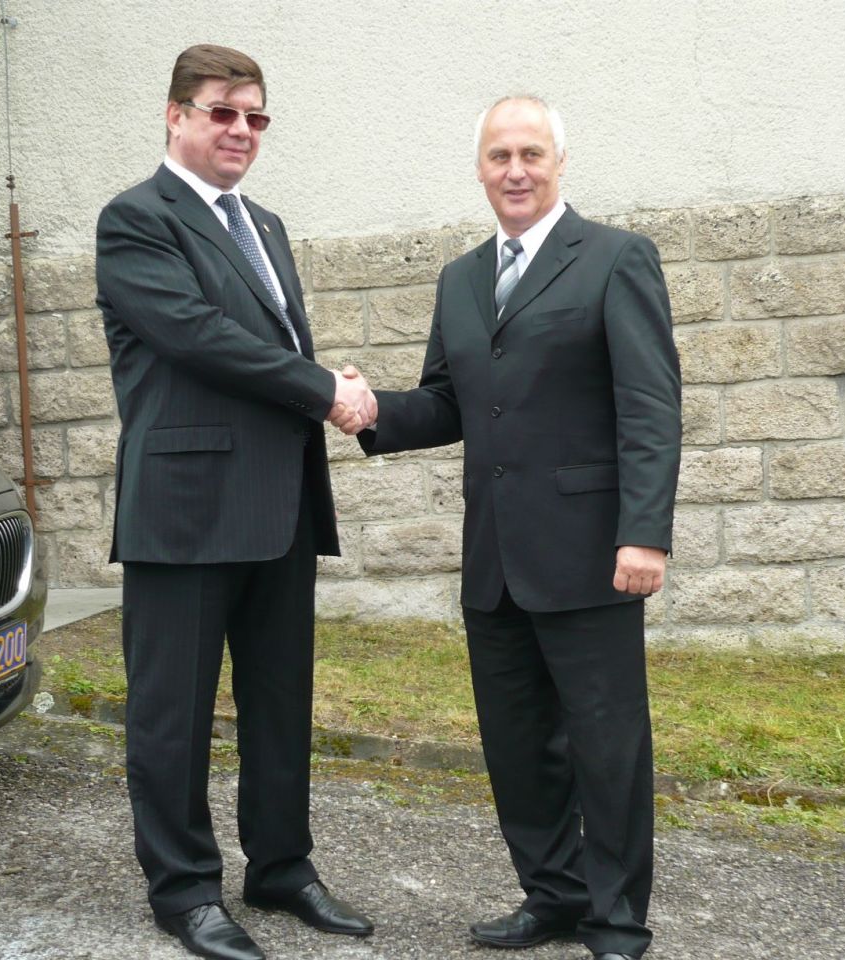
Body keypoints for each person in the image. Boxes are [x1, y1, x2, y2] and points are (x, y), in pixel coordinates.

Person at [355, 95, 682, 960]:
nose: (515, 170)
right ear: (479, 169)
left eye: (531, 153)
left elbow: (650, 407)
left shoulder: (615, 259)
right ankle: (554, 895)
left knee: (606, 746)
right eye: (499, 155)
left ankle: (617, 918)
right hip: (494, 557)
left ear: (559, 163)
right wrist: (370, 411)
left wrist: (644, 533)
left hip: (591, 553)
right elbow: (448, 402)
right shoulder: (460, 279)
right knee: (516, 745)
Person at [95, 44, 376, 960]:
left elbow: (268, 344)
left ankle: (282, 867)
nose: (241, 130)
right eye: (222, 111)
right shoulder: (136, 220)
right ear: (175, 114)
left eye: (256, 117)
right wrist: (325, 389)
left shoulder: (267, 225)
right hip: (184, 508)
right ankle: (183, 892)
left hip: (280, 504)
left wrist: (326, 389)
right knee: (172, 716)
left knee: (279, 702)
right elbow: (198, 335)